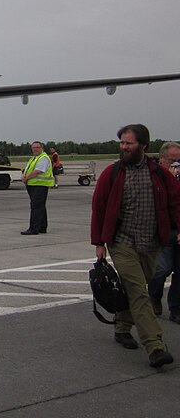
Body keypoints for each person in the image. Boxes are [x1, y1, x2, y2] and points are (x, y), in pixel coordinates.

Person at [90, 124, 180, 368]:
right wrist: (99, 242)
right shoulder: (113, 173)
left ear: (143, 145)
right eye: (121, 143)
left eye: (128, 143)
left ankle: (122, 327)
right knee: (139, 291)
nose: (124, 147)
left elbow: (175, 203)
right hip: (122, 242)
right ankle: (155, 346)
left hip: (151, 242)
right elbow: (99, 207)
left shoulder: (160, 175)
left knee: (136, 287)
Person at [148, 141, 180, 323]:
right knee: (162, 268)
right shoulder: (155, 177)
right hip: (163, 229)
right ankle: (153, 295)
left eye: (179, 161)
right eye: (172, 161)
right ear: (162, 160)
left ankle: (176, 307)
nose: (176, 165)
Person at [21, 141, 54, 235]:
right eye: (33, 148)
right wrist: (23, 175)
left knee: (36, 207)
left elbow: (38, 171)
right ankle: (42, 227)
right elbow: (27, 169)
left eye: (37, 147)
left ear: (41, 148)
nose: (35, 149)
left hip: (40, 185)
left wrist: (26, 178)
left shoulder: (43, 158)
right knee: (40, 207)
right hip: (33, 185)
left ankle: (33, 228)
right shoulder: (34, 158)